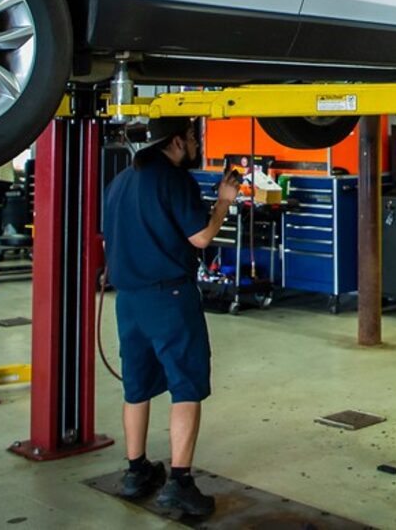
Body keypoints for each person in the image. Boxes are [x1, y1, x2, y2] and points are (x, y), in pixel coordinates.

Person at [101, 117, 239, 517]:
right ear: (178, 141)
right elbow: (200, 237)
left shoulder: (120, 181)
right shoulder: (174, 179)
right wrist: (225, 201)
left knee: (136, 385)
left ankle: (136, 471)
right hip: (170, 296)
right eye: (194, 137)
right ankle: (179, 482)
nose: (196, 144)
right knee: (186, 384)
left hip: (127, 300)